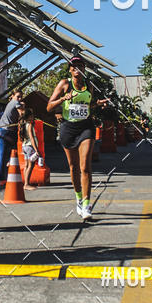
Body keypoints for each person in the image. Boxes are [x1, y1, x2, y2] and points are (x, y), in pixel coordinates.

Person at [47, 55, 109, 219]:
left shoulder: (89, 85)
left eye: (80, 65)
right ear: (70, 69)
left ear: (83, 68)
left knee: (85, 167)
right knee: (73, 167)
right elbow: (49, 107)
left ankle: (87, 205)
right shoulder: (64, 84)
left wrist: (98, 104)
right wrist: (62, 98)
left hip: (86, 127)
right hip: (68, 128)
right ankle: (79, 199)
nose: (76, 68)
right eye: (73, 66)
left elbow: (87, 105)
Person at [0, 89, 24, 186]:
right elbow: (22, 114)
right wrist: (23, 107)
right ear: (12, 96)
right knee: (3, 154)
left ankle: (9, 163)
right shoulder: (15, 103)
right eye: (18, 96)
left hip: (7, 131)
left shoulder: (12, 102)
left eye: (21, 96)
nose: (20, 98)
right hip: (3, 131)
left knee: (14, 149)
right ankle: (1, 179)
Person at [19, 108, 40, 190]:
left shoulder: (23, 124)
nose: (33, 117)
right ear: (29, 117)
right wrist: (37, 150)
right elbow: (32, 138)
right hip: (30, 146)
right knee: (31, 166)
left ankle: (25, 182)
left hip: (25, 146)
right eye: (32, 115)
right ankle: (26, 184)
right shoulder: (29, 125)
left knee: (26, 165)